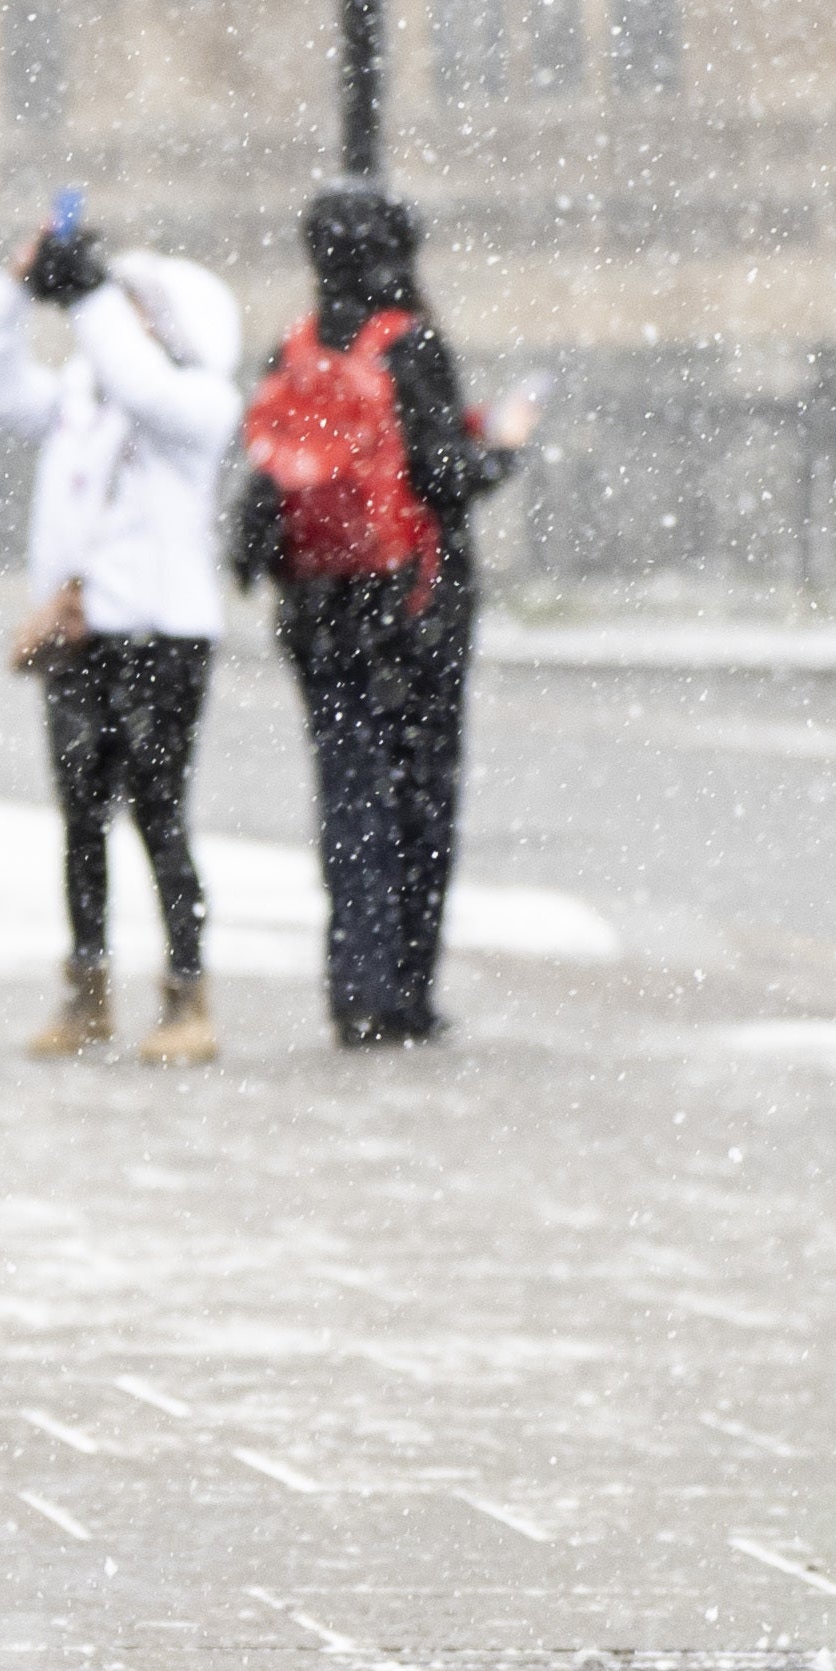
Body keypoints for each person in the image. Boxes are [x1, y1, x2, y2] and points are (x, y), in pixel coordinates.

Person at [234, 185, 532, 1046]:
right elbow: (443, 477)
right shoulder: (410, 345)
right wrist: (500, 450)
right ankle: (405, 992)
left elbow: (270, 476)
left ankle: (353, 986)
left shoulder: (289, 347)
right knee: (420, 798)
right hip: (414, 611)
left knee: (347, 795)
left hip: (320, 609)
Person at [0, 211, 244, 1066]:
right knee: (81, 819)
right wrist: (16, 285)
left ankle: (187, 994)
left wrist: (88, 295)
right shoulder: (83, 400)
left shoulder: (196, 401)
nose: (119, 323)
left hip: (162, 637)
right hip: (82, 636)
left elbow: (143, 382)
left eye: (139, 309)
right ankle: (86, 991)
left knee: (160, 817)